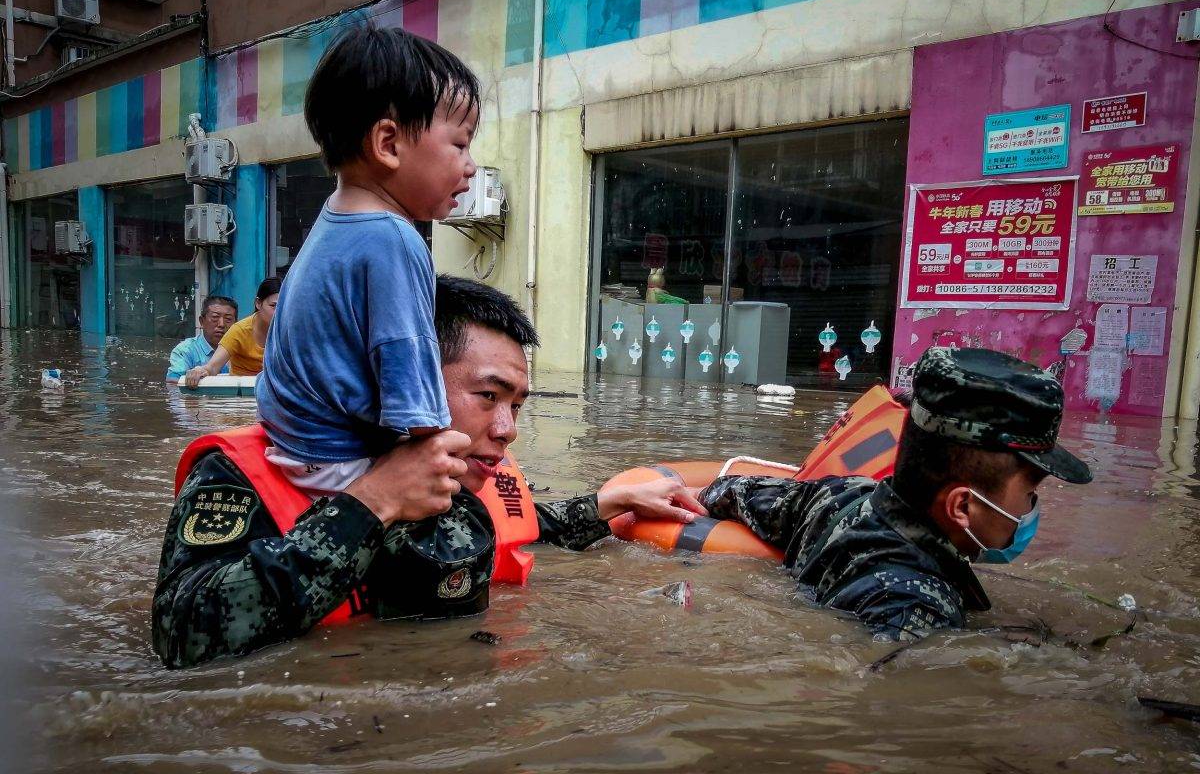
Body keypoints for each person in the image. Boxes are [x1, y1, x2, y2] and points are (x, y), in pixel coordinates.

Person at [152, 276, 704, 668]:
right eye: (488, 396)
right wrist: (372, 503)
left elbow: (525, 525)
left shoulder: (470, 469)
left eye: (517, 404)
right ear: (402, 378)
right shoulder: (243, 474)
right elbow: (181, 634)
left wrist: (614, 502)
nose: (508, 429)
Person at [697, 346, 1093, 641]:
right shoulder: (917, 610)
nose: (1030, 509)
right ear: (962, 506)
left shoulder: (840, 494)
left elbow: (733, 490)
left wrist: (690, 493)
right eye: (1029, 493)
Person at [253, 23, 482, 499]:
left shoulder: (334, 220)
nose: (470, 165)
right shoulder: (393, 238)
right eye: (460, 144)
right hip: (341, 463)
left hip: (295, 446)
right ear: (388, 144)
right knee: (468, 490)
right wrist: (452, 452)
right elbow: (411, 380)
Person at [183, 278, 280, 385]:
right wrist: (199, 371)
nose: (279, 311)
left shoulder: (289, 332)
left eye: (283, 305)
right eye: (273, 306)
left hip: (275, 390)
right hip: (241, 390)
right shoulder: (240, 331)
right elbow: (213, 366)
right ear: (258, 303)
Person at [166, 296, 236, 382]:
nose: (221, 324)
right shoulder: (185, 350)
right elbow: (172, 382)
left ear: (236, 324)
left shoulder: (242, 348)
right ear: (202, 321)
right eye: (215, 317)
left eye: (228, 319)